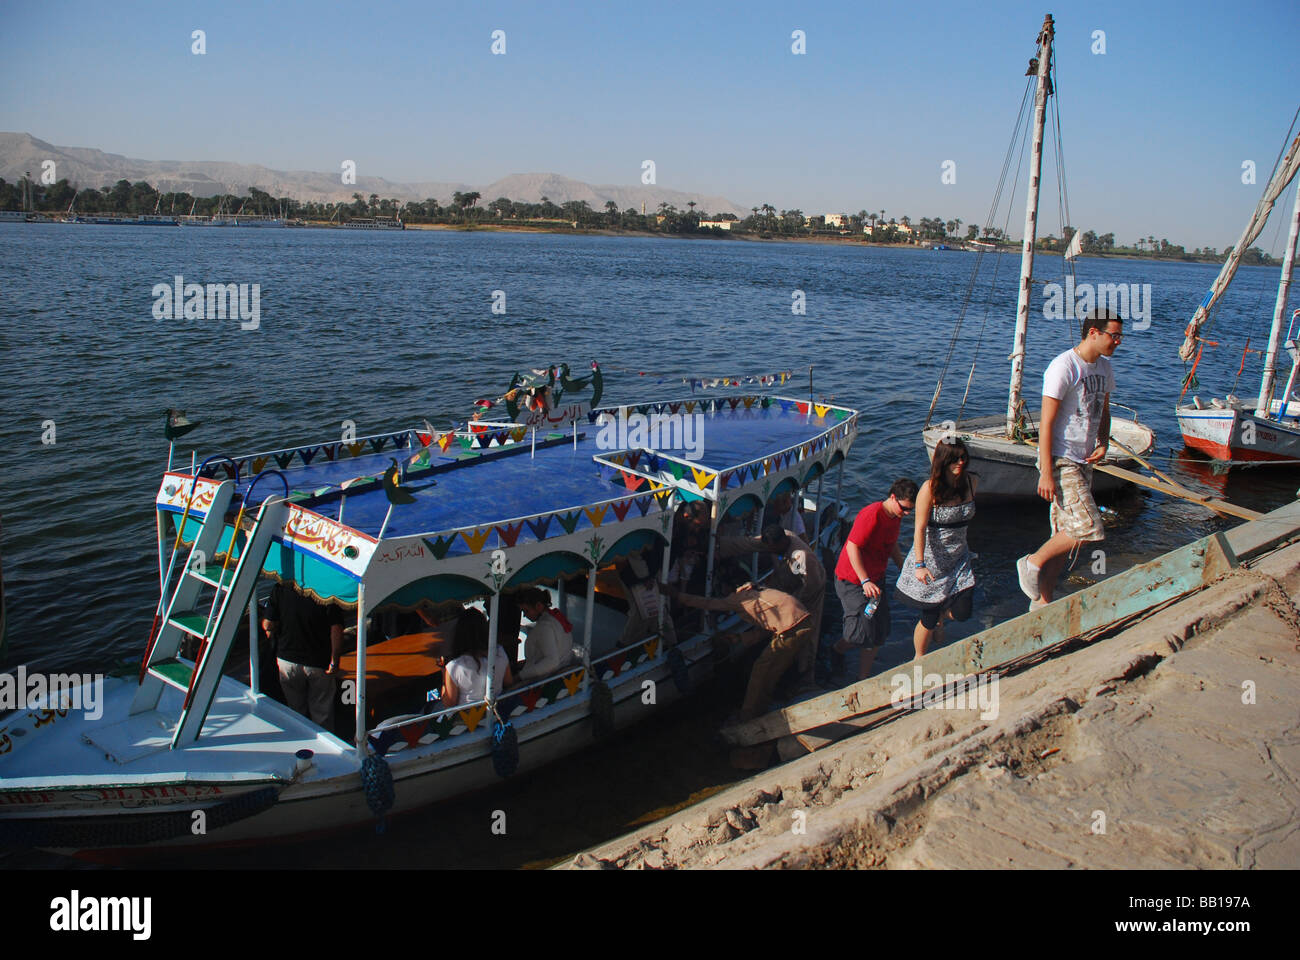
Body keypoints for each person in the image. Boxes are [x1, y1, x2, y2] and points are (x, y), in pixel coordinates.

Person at [1017, 309, 1120, 608]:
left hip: (1084, 459)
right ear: (1093, 333)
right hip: (1061, 459)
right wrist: (1045, 472)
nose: (1117, 342)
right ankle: (1031, 562)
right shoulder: (1064, 367)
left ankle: (1043, 602)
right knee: (1088, 528)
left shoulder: (1104, 368)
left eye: (1120, 336)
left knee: (1063, 536)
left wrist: (1103, 441)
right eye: (1113, 335)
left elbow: (1104, 409)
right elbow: (1046, 423)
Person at [673, 579, 812, 721]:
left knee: (760, 670)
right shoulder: (757, 591)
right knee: (772, 670)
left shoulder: (737, 599)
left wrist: (678, 596)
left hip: (791, 627)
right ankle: (763, 707)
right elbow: (766, 629)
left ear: (729, 588)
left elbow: (708, 603)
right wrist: (739, 638)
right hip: (802, 620)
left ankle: (748, 715)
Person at [895, 440, 977, 658]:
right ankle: (919, 659)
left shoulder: (971, 482)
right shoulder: (929, 488)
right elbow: (919, 529)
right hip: (932, 561)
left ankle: (942, 614)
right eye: (954, 458)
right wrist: (920, 565)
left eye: (963, 457)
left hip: (959, 557)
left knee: (963, 612)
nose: (960, 462)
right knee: (929, 618)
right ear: (943, 460)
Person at [832, 479, 918, 680]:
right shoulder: (872, 515)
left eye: (910, 511)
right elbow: (853, 547)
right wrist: (865, 580)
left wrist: (902, 566)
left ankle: (864, 677)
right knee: (860, 633)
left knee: (879, 631)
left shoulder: (895, 516)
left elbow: (891, 543)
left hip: (876, 579)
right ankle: (837, 650)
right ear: (893, 497)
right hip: (853, 580)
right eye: (905, 508)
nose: (906, 514)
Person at [261, 581, 345, 728]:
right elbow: (336, 629)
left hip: (287, 659)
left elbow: (268, 624)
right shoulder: (327, 591)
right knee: (322, 714)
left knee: (296, 711)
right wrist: (335, 660)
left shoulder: (281, 587)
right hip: (319, 662)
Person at [441, 607, 514, 706]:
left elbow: (449, 703)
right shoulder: (499, 652)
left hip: (468, 718)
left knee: (428, 708)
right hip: (496, 710)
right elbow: (508, 682)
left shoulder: (454, 666)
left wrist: (444, 675)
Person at [516, 587, 580, 681]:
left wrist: (520, 676)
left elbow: (551, 661)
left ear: (538, 606)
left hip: (548, 678)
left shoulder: (544, 627)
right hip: (561, 670)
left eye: (526, 611)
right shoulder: (555, 619)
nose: (525, 615)